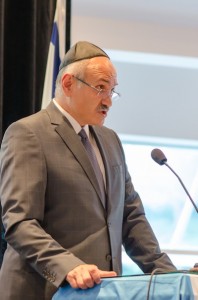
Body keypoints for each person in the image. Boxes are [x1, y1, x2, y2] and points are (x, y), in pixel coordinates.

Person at [0, 41, 176, 299]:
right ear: (69, 83)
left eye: (112, 91)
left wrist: (171, 276)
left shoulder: (110, 140)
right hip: (43, 292)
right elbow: (20, 222)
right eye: (100, 88)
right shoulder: (28, 133)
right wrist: (69, 267)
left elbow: (131, 218)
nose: (108, 101)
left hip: (102, 292)